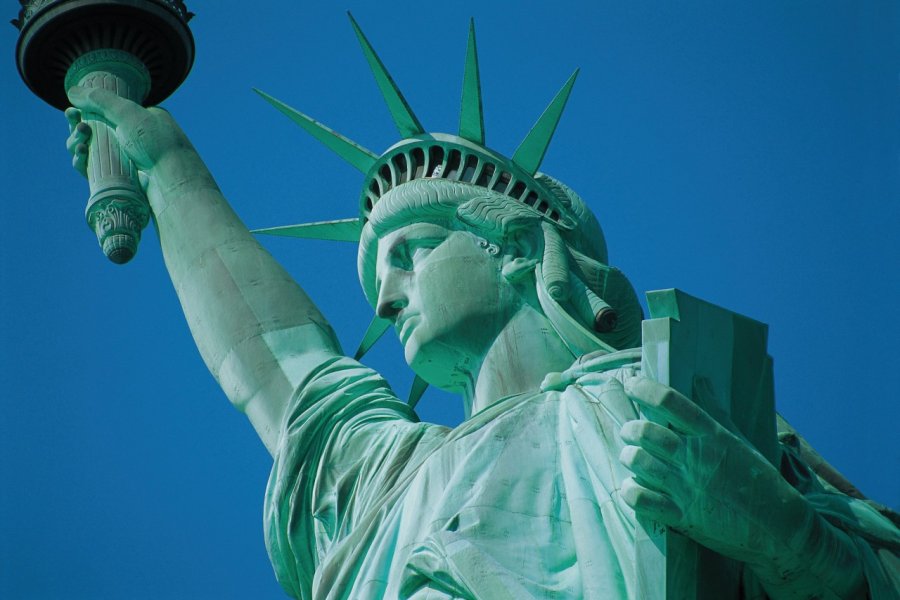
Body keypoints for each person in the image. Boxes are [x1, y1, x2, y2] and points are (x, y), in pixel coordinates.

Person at [63, 30, 898, 598]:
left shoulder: (674, 416)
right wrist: (166, 168)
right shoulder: (394, 482)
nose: (386, 298)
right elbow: (279, 371)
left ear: (518, 250)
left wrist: (780, 531)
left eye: (409, 250)